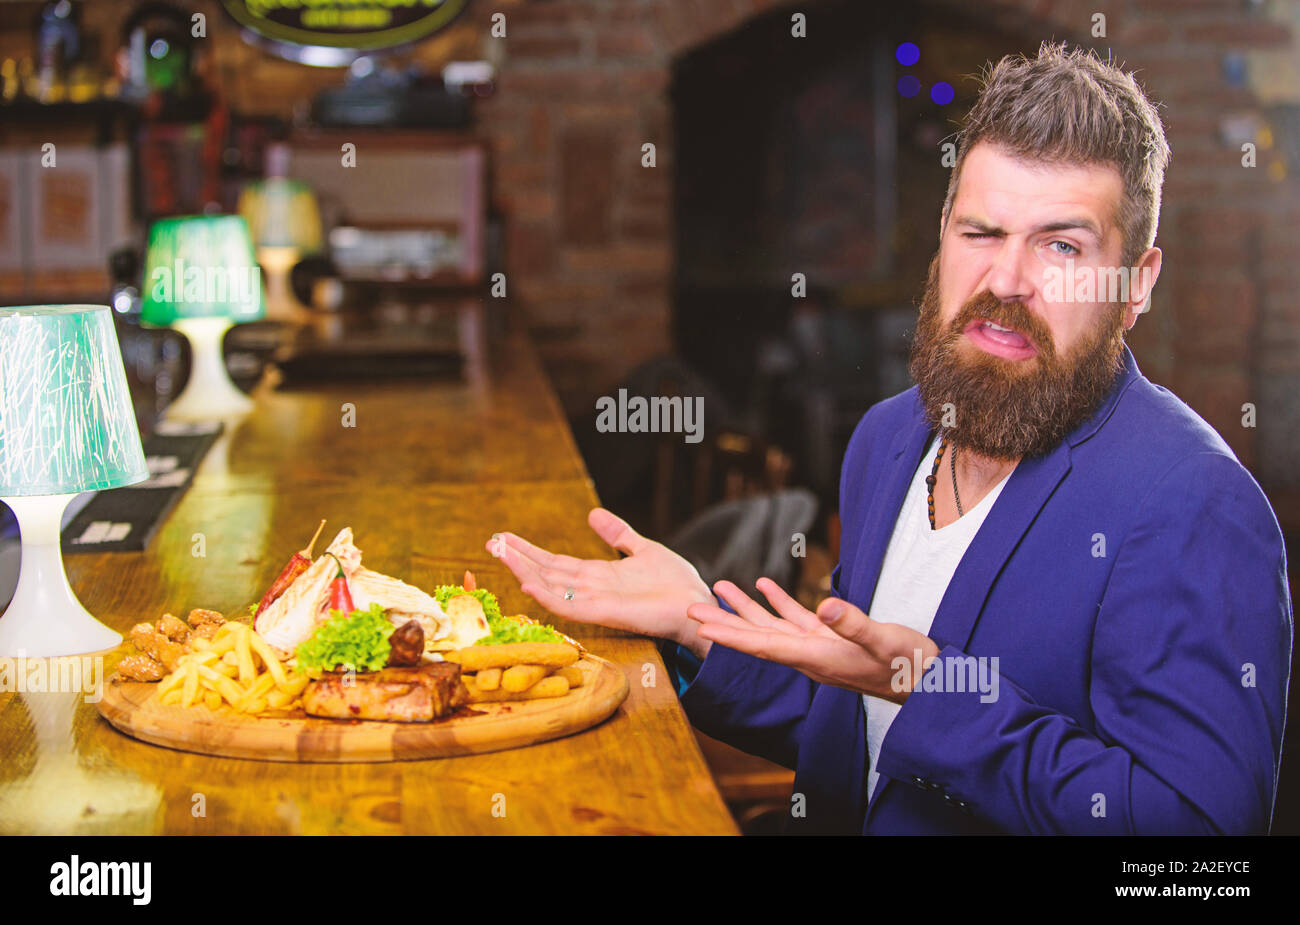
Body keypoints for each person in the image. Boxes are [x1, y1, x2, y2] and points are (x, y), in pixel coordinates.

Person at [485, 42, 1293, 834]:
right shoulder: (889, 437)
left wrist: (939, 684)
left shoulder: (1195, 504)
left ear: (1136, 284)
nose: (1007, 281)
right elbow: (859, 732)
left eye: (1062, 246)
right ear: (942, 234)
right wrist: (699, 621)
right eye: (981, 232)